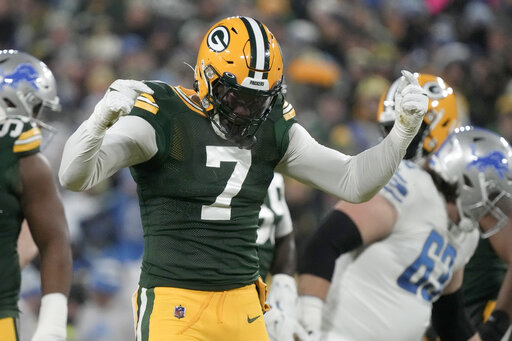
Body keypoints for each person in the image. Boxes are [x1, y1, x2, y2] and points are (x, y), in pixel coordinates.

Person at [58, 16, 428, 340]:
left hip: (243, 303)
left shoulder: (273, 127)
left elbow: (353, 182)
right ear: (206, 77)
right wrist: (97, 123)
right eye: (235, 95)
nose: (245, 109)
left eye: (257, 99)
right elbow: (74, 176)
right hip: (175, 300)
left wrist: (401, 135)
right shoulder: (164, 115)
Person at [297, 74, 484, 341]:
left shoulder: (461, 220)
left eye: (410, 125)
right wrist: (309, 323)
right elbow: (323, 243)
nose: (398, 138)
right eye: (391, 129)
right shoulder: (404, 181)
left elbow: (450, 316)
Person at [0, 50, 72, 341]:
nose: (37, 120)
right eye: (37, 108)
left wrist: (52, 328)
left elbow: (52, 240)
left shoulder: (24, 162)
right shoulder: (17, 154)